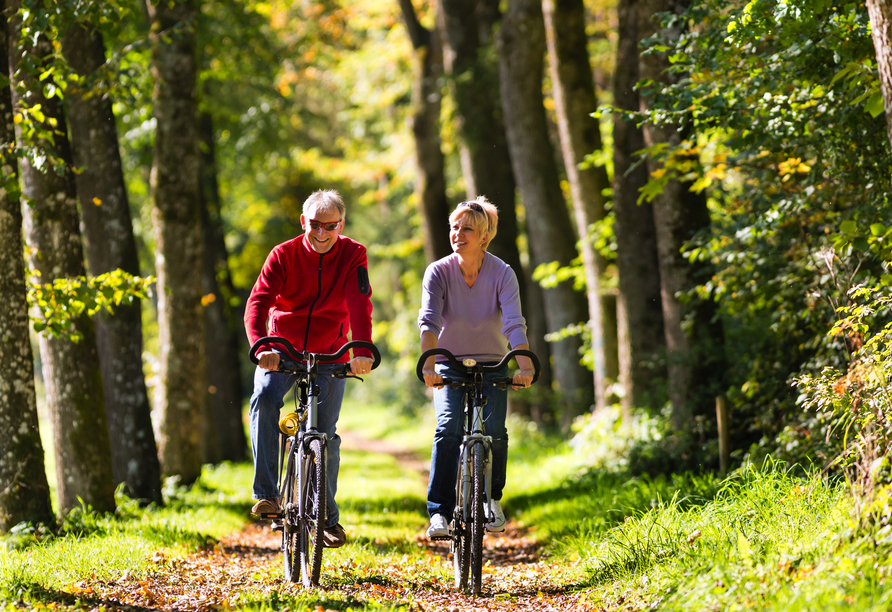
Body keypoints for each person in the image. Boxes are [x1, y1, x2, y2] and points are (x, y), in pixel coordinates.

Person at [244, 189, 374, 548]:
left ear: (341, 224)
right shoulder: (283, 255)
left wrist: (361, 349)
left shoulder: (353, 254)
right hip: (280, 348)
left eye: (330, 226)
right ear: (304, 222)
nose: (321, 233)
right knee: (266, 398)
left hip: (331, 351)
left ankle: (327, 518)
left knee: (326, 436)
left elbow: (359, 303)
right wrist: (262, 346)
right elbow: (258, 303)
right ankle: (268, 493)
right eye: (315, 224)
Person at [417, 196, 535, 538]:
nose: (458, 233)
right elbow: (429, 322)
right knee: (448, 428)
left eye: (467, 228)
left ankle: (492, 499)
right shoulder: (438, 271)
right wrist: (429, 363)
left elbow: (514, 323)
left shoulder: (503, 273)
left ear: (484, 237)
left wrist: (523, 365)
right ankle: (439, 513)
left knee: (495, 432)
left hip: (494, 363)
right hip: (450, 366)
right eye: (455, 227)